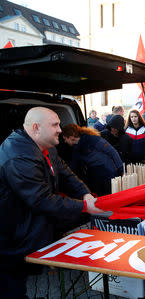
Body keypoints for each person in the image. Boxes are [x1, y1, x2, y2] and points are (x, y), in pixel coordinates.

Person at [0, 107, 103, 298]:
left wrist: (85, 194)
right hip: (11, 237)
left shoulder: (47, 147)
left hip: (26, 230)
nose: (60, 130)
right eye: (55, 125)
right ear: (36, 128)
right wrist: (84, 207)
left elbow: (64, 173)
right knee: (11, 285)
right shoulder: (19, 156)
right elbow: (41, 199)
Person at [62, 124, 123, 196]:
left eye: (65, 138)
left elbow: (112, 152)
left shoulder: (93, 139)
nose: (65, 141)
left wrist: (120, 169)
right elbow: (74, 167)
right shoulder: (76, 149)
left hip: (108, 173)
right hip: (95, 176)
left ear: (71, 137)